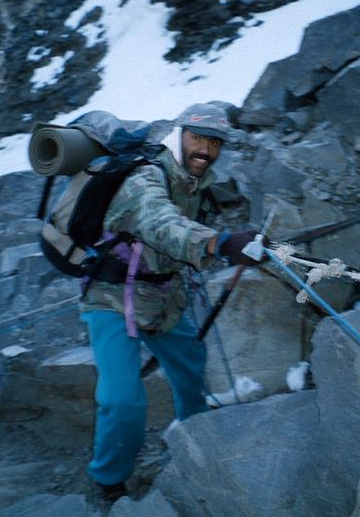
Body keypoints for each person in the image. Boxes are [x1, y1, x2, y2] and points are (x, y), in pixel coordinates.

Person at [80, 103, 261, 501]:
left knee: (191, 365)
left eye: (215, 143)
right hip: (112, 297)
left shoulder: (192, 181)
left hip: (163, 295)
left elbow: (175, 235)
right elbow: (161, 224)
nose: (206, 149)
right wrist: (218, 243)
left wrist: (227, 245)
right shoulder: (146, 177)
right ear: (180, 136)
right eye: (199, 138)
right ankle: (109, 481)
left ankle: (197, 437)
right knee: (121, 400)